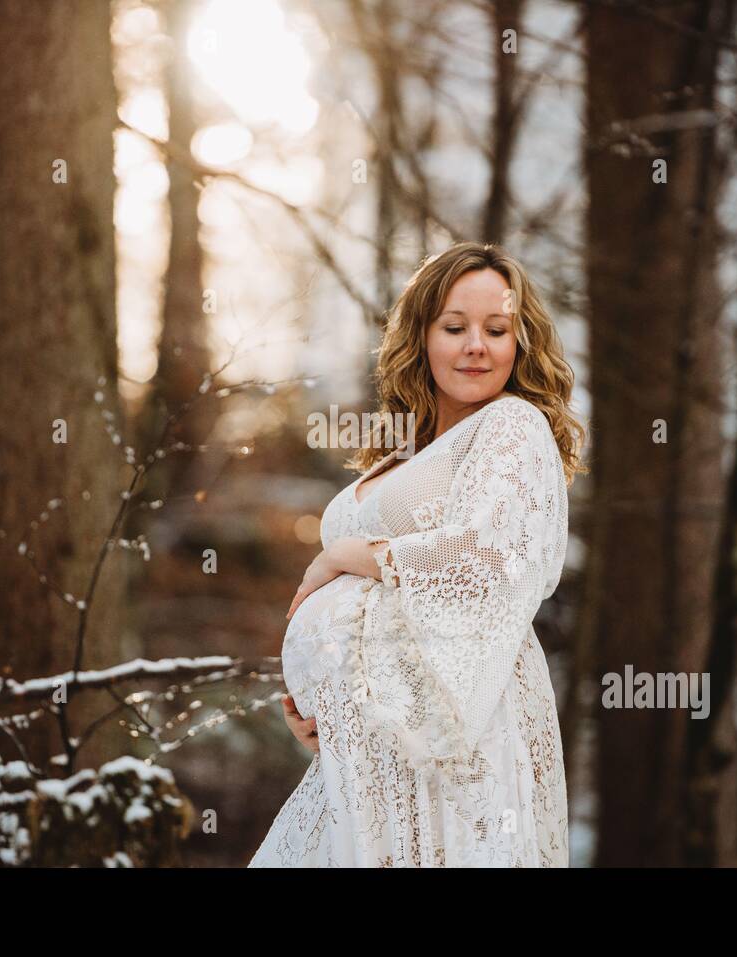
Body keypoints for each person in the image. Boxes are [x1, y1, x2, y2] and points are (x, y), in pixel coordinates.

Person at [249, 241, 587, 867]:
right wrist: (311, 694)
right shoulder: (403, 451)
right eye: (454, 327)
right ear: (422, 336)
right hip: (367, 746)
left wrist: (343, 556)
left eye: (497, 329)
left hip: (457, 738)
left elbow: (491, 556)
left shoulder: (513, 424)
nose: (475, 346)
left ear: (522, 343)